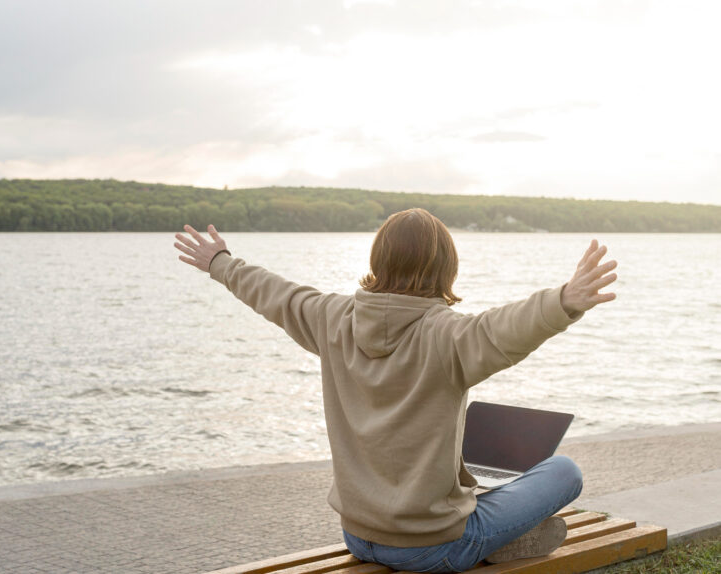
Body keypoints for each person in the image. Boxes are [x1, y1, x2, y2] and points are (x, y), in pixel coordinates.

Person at [173, 208, 618, 573]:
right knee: (564, 472)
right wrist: (563, 301)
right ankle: (489, 543)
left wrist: (220, 262)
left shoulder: (332, 319)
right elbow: (503, 329)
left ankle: (495, 533)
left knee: (479, 482)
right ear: (447, 266)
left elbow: (276, 294)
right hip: (430, 548)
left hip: (358, 536)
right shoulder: (445, 336)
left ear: (377, 260)